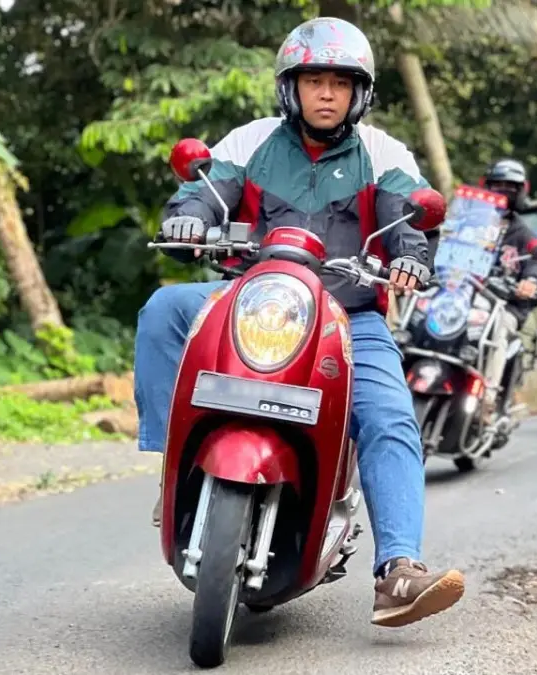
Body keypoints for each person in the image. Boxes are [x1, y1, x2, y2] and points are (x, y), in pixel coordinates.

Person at [134, 17, 464, 628]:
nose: (327, 93)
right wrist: (187, 217)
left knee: (390, 415)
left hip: (346, 315)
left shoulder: (383, 154)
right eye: (314, 79)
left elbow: (410, 221)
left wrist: (413, 260)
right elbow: (206, 193)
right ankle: (170, 468)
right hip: (247, 300)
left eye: (341, 82)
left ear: (359, 92)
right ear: (291, 86)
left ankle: (397, 570)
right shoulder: (251, 139)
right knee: (162, 311)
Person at [478, 158, 537, 420]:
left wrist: (529, 282)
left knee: (499, 328)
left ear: (521, 191)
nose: (503, 191)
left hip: (505, 302)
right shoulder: (472, 223)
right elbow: (446, 247)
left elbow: (535, 262)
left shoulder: (523, 233)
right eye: (497, 185)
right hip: (467, 295)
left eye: (510, 187)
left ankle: (488, 396)